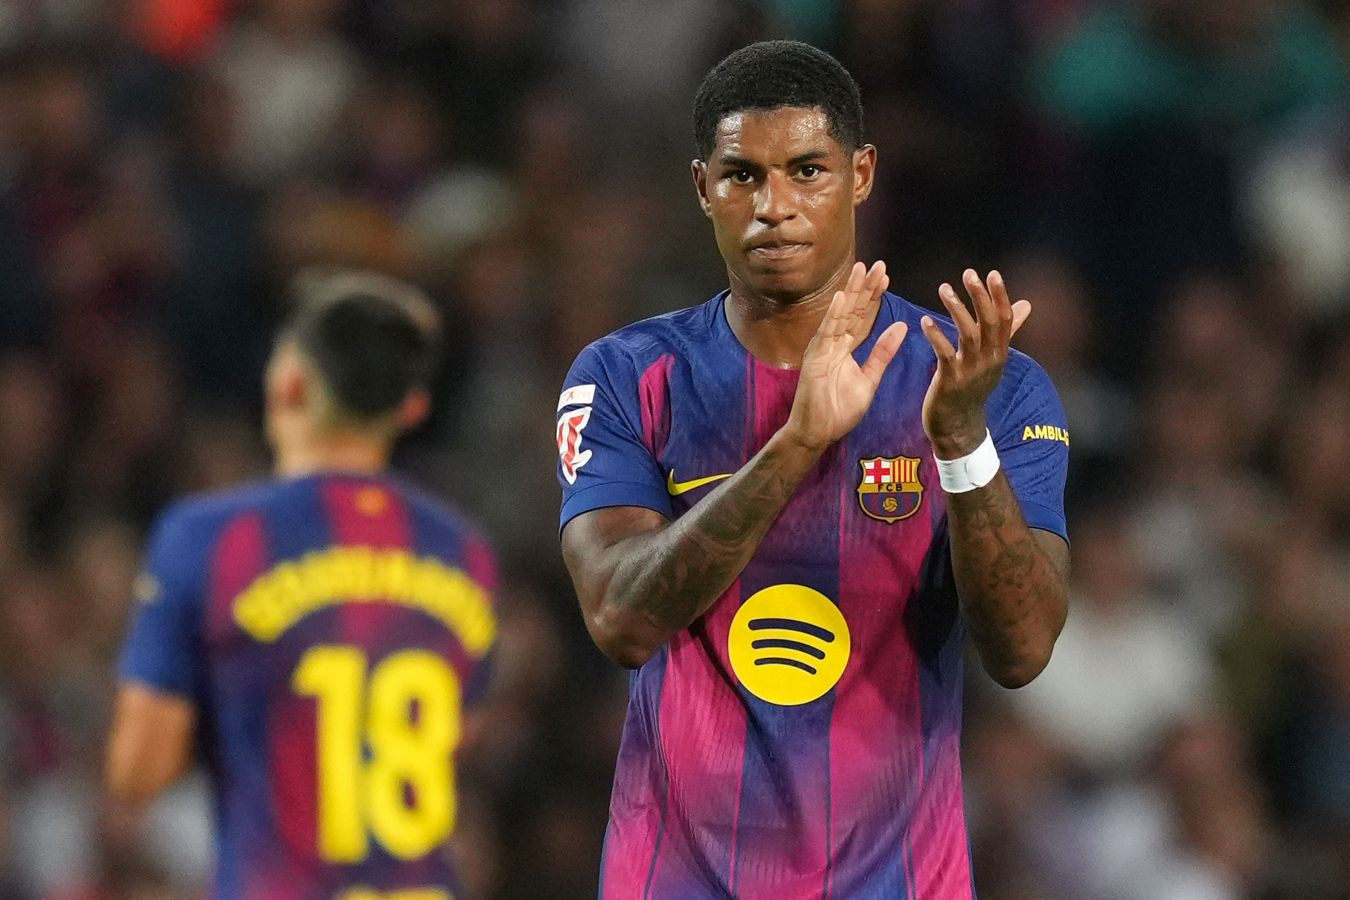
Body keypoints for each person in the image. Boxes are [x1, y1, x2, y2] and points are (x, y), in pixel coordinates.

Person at [556, 41, 1070, 897]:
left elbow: (1021, 650)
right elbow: (620, 620)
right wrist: (797, 443)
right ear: (702, 188)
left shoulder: (986, 385)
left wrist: (959, 444)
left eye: (806, 171)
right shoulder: (624, 376)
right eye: (742, 176)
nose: (774, 207)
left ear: (861, 175)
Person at [107, 270, 497, 898]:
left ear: (289, 384)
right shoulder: (465, 555)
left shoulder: (209, 539)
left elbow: (137, 771)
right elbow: (457, 737)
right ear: (411, 407)